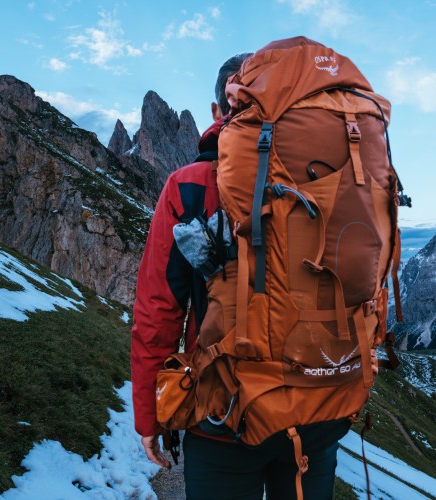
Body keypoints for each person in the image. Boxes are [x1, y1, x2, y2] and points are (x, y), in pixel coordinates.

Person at [130, 53, 351, 500]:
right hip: (316, 408)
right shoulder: (333, 177)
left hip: (222, 414)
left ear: (218, 112)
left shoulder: (189, 184)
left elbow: (158, 312)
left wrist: (150, 417)